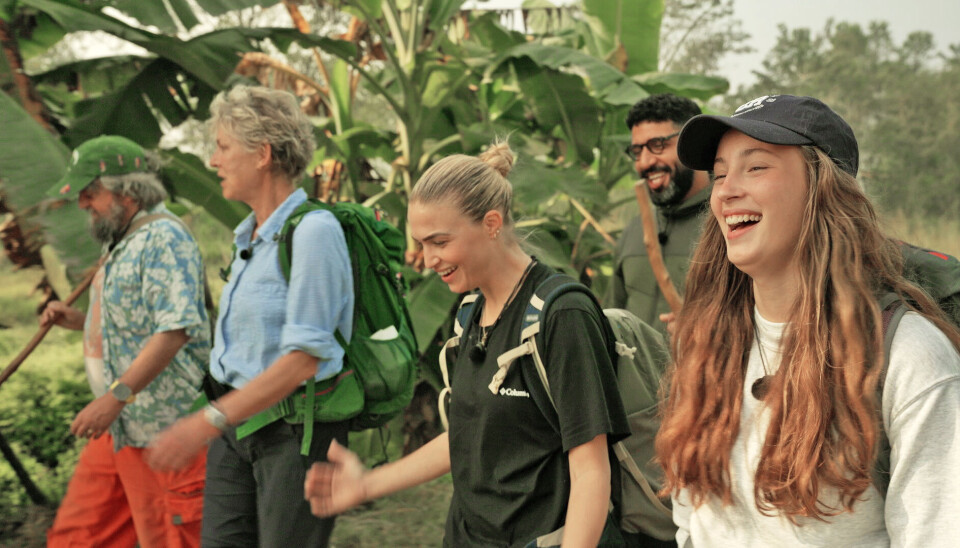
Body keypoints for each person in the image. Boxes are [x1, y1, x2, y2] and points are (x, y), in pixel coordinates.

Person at [655, 94, 960, 546]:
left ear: (822, 187)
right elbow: (692, 520)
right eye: (719, 174)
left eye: (756, 167)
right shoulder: (706, 343)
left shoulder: (906, 358)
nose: (726, 190)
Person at [304, 142, 630, 547]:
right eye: (421, 243)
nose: (426, 259)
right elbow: (466, 436)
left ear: (491, 223)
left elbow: (591, 473)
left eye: (439, 242)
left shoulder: (562, 316)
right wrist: (368, 485)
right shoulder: (470, 312)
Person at [146, 85, 354, 547]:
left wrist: (207, 420)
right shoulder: (250, 239)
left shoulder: (315, 233)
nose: (213, 161)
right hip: (235, 429)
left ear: (262, 154)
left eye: (222, 147)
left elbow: (304, 360)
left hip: (292, 434)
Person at [41, 135, 210, 547]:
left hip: (165, 428)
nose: (82, 204)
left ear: (127, 191)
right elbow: (134, 325)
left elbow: (174, 330)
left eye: (90, 193)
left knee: (173, 538)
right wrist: (79, 322)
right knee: (77, 536)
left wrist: (115, 396)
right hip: (123, 428)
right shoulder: (123, 241)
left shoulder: (163, 239)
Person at [610, 94, 712, 339]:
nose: (645, 162)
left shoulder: (729, 224)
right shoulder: (635, 231)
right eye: (637, 150)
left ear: (693, 144)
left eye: (658, 145)